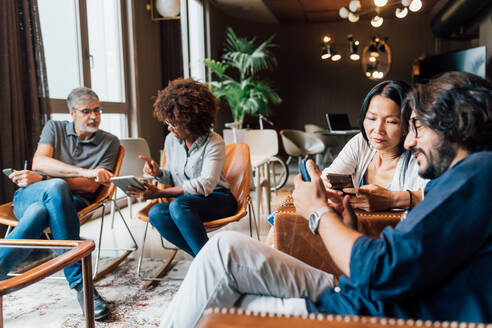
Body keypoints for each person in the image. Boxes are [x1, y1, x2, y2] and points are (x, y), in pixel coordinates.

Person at [158, 71, 492, 327]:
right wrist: (350, 227)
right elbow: (406, 260)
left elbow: (382, 272)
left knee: (216, 300)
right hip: (359, 291)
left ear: (453, 124)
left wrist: (319, 212)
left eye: (415, 126)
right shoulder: (462, 179)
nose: (408, 141)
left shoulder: (476, 174)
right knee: (224, 248)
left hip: (361, 310)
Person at [0, 87, 120, 320]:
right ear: (72, 112)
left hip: (71, 203)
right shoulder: (54, 128)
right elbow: (40, 161)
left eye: (97, 110)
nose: (94, 116)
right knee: (55, 188)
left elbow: (90, 187)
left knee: (40, 211)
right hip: (30, 194)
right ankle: (81, 285)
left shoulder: (110, 142)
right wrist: (82, 173)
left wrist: (47, 176)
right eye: (86, 111)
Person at [128, 78, 237, 257]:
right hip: (186, 204)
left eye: (174, 124)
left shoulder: (214, 142)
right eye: (168, 123)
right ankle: (206, 260)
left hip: (217, 199)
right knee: (156, 213)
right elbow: (172, 176)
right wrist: (159, 173)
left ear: (192, 122)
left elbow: (206, 185)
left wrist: (160, 193)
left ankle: (208, 263)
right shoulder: (171, 140)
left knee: (178, 206)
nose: (170, 129)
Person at [322, 80, 427, 212]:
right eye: (372, 118)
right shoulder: (361, 142)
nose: (378, 130)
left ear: (407, 125)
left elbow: (435, 198)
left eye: (391, 122)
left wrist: (393, 199)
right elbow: (331, 175)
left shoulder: (418, 157)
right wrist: (326, 185)